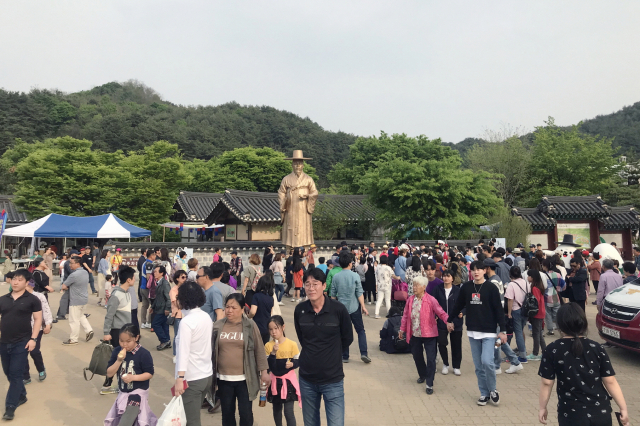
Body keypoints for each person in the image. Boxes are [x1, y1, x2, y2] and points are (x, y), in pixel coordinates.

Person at [538, 303, 629, 426]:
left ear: (559, 325)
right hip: (600, 413)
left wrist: (543, 407)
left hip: (571, 414)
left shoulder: (552, 349)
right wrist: (623, 408)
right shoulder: (597, 348)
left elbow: (547, 382)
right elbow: (610, 381)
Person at [294, 267, 353, 426]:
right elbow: (303, 338)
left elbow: (347, 337)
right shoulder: (300, 310)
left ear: (323, 286)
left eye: (315, 284)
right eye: (307, 284)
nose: (311, 288)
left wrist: (331, 353)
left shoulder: (338, 309)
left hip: (332, 379)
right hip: (307, 379)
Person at [447, 261, 507, 406]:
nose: (476, 272)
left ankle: (493, 390)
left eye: (479, 269)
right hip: (473, 331)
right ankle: (484, 393)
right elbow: (458, 305)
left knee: (487, 361)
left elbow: (499, 310)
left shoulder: (491, 288)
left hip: (489, 332)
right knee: (479, 366)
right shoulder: (466, 287)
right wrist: (449, 320)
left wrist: (503, 331)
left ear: (485, 270)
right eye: (473, 270)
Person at [213, 293, 270, 426]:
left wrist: (264, 372)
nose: (229, 310)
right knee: (227, 413)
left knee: (245, 413)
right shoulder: (218, 325)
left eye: (233, 307)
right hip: (224, 379)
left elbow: (259, 349)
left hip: (245, 379)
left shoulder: (250, 326)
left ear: (243, 308)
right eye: (227, 307)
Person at [0, 268, 43, 421]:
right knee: (8, 372)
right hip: (4, 342)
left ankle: (10, 407)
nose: (16, 282)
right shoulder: (3, 299)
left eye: (19, 279)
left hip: (22, 342)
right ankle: (22, 395)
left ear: (26, 282)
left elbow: (38, 319)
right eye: (14, 279)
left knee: (16, 374)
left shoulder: (32, 299)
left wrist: (33, 339)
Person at [173, 281, 214, 426]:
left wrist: (180, 378)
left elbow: (184, 352)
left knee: (191, 421)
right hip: (205, 374)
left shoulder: (187, 322)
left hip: (191, 378)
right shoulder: (205, 317)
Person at [400, 276, 449, 394]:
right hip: (415, 333)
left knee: (431, 359)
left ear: (424, 287)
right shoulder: (410, 300)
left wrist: (449, 322)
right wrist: (402, 329)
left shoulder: (431, 300)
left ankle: (429, 383)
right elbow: (405, 315)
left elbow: (441, 312)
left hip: (429, 334)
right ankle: (422, 375)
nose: (414, 287)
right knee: (417, 356)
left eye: (417, 285)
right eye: (413, 285)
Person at [104, 324, 157, 426]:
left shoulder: (143, 354)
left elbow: (149, 373)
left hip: (137, 395)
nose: (124, 344)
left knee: (126, 422)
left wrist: (133, 377)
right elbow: (109, 373)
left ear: (136, 338)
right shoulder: (116, 351)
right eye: (121, 341)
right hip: (123, 393)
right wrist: (119, 360)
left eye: (128, 341)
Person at [330, 252, 371, 363]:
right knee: (361, 331)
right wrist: (363, 306)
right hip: (354, 307)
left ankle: (345, 356)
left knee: (343, 332)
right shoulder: (355, 276)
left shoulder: (336, 277)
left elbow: (333, 295)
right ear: (350, 263)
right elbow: (359, 293)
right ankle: (363, 353)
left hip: (340, 309)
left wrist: (333, 308)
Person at [101, 265, 134, 395]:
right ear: (129, 280)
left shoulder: (126, 293)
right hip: (117, 331)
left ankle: (110, 384)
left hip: (124, 331)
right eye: (133, 278)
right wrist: (106, 332)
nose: (134, 280)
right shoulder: (116, 295)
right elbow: (109, 315)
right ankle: (108, 385)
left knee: (120, 358)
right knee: (117, 359)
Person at [265, 315, 300, 426]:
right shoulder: (268, 346)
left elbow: (298, 361)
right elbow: (269, 366)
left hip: (288, 382)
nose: (274, 332)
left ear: (283, 327)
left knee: (288, 411)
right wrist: (273, 353)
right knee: (276, 410)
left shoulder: (292, 344)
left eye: (276, 328)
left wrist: (293, 364)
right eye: (271, 329)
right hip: (275, 382)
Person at [432, 270, 463, 376]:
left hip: (456, 321)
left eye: (448, 276)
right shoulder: (437, 289)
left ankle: (456, 366)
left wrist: (462, 313)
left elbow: (465, 304)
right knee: (441, 343)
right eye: (444, 276)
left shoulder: (458, 290)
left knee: (456, 345)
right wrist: (435, 316)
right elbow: (433, 304)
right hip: (441, 321)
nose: (446, 278)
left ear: (453, 278)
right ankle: (445, 364)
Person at [23, 278, 52, 385]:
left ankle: (41, 369)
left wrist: (48, 324)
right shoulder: (18, 297)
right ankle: (26, 376)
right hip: (22, 329)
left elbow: (46, 310)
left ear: (31, 286)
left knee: (34, 351)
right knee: (22, 353)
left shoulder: (39, 296)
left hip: (36, 328)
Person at [62, 256, 94, 345]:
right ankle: (89, 330)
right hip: (84, 299)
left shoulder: (74, 275)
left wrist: (68, 286)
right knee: (81, 316)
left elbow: (64, 286)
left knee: (74, 320)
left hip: (75, 300)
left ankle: (73, 339)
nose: (70, 265)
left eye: (71, 263)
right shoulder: (85, 272)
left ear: (77, 264)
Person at [504, 266, 530, 363]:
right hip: (526, 310)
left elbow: (510, 299)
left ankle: (522, 356)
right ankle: (522, 350)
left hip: (516, 310)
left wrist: (509, 313)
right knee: (521, 330)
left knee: (518, 332)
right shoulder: (527, 283)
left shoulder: (511, 284)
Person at [526, 270, 546, 361]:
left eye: (529, 276)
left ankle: (535, 353)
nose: (527, 278)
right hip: (541, 312)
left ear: (532, 277)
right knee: (539, 333)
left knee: (536, 333)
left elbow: (535, 301)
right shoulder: (539, 286)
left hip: (537, 313)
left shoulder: (534, 288)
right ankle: (545, 352)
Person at [249, 274, 276, 344]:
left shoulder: (256, 296)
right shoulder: (271, 298)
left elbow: (253, 312)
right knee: (263, 348)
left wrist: (248, 317)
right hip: (267, 327)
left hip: (257, 326)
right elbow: (271, 312)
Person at [150, 265, 171, 350]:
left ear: (161, 273)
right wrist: (152, 307)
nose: (154, 273)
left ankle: (164, 340)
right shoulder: (159, 282)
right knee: (164, 325)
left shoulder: (165, 284)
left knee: (155, 324)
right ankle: (167, 341)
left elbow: (168, 297)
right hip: (159, 307)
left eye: (156, 272)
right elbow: (158, 297)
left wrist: (167, 308)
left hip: (163, 309)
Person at [541, 259, 564, 336]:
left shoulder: (543, 276)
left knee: (547, 314)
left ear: (545, 266)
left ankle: (550, 330)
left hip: (546, 297)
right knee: (557, 314)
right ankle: (561, 330)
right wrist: (558, 289)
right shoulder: (558, 274)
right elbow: (564, 286)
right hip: (555, 296)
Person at [169, 269, 187, 361]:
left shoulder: (187, 288)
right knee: (177, 336)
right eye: (183, 277)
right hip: (178, 316)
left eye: (185, 277)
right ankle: (176, 354)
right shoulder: (174, 290)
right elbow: (178, 304)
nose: (185, 279)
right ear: (177, 279)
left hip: (187, 315)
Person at [139, 249, 156, 330]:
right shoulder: (149, 264)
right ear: (151, 255)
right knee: (152, 305)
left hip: (142, 286)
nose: (155, 256)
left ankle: (143, 322)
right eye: (154, 255)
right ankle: (149, 322)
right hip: (147, 288)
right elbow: (149, 277)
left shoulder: (144, 263)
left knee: (144, 305)